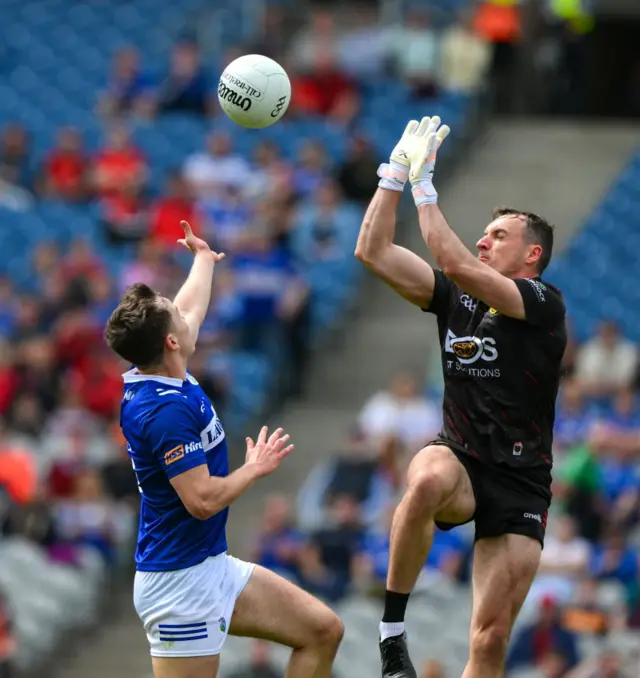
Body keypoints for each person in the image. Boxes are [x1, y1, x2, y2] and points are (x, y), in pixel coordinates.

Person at [355, 117, 567, 678]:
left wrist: (428, 188)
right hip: (462, 458)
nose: (483, 240)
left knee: (490, 639)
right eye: (484, 233)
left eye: (499, 235)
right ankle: (391, 635)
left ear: (532, 256)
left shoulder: (543, 303)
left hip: (522, 479)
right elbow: (372, 251)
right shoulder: (455, 298)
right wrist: (396, 172)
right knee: (424, 479)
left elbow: (454, 261)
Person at [104, 221, 343, 678]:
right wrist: (253, 468)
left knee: (322, 630)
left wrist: (202, 259)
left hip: (211, 566)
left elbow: (189, 307)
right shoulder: (164, 413)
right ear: (171, 342)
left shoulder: (164, 364)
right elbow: (202, 501)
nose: (181, 308)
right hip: (179, 584)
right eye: (171, 311)